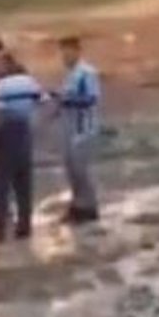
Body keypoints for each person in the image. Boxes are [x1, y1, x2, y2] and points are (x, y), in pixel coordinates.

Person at [0, 52, 44, 243]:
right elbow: (46, 102)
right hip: (25, 133)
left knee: (0, 186)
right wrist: (38, 124)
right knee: (24, 184)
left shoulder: (1, 86)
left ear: (5, 65)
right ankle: (24, 226)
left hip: (6, 134)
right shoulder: (30, 82)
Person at [54, 35, 103, 224]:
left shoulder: (86, 73)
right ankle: (78, 205)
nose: (64, 57)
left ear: (76, 51)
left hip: (84, 128)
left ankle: (89, 207)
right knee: (71, 169)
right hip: (70, 128)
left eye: (67, 52)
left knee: (82, 170)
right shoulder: (70, 75)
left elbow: (91, 98)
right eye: (62, 53)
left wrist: (67, 101)